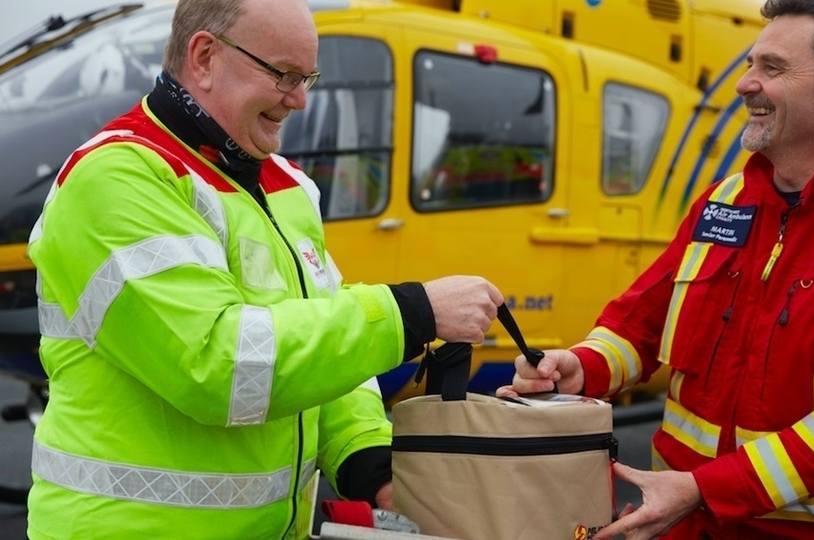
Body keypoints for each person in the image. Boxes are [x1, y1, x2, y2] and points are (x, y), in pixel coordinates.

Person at [24, 0, 502, 538]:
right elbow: (216, 366)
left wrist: (370, 465)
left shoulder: (288, 187)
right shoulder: (117, 178)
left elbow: (329, 363)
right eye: (283, 75)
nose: (298, 99)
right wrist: (410, 312)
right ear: (204, 56)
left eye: (308, 78)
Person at [499, 0, 814, 538]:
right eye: (749, 64)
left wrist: (707, 488)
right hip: (682, 524)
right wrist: (582, 367)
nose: (745, 84)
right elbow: (640, 322)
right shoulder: (724, 202)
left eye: (772, 68)